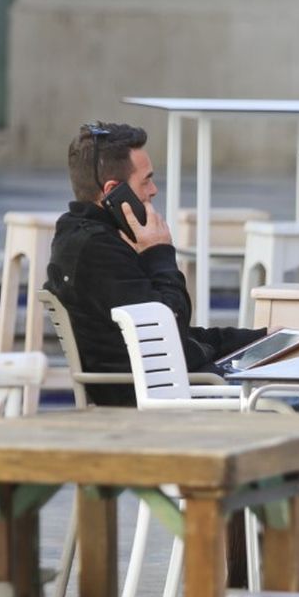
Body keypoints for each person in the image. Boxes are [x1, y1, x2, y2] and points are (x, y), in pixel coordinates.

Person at [45, 121, 270, 406]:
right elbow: (170, 330)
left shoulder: (96, 238)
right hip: (184, 396)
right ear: (115, 191)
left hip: (197, 381)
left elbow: (181, 335)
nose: (153, 190)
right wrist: (159, 252)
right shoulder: (97, 251)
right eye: (146, 180)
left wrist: (258, 338)